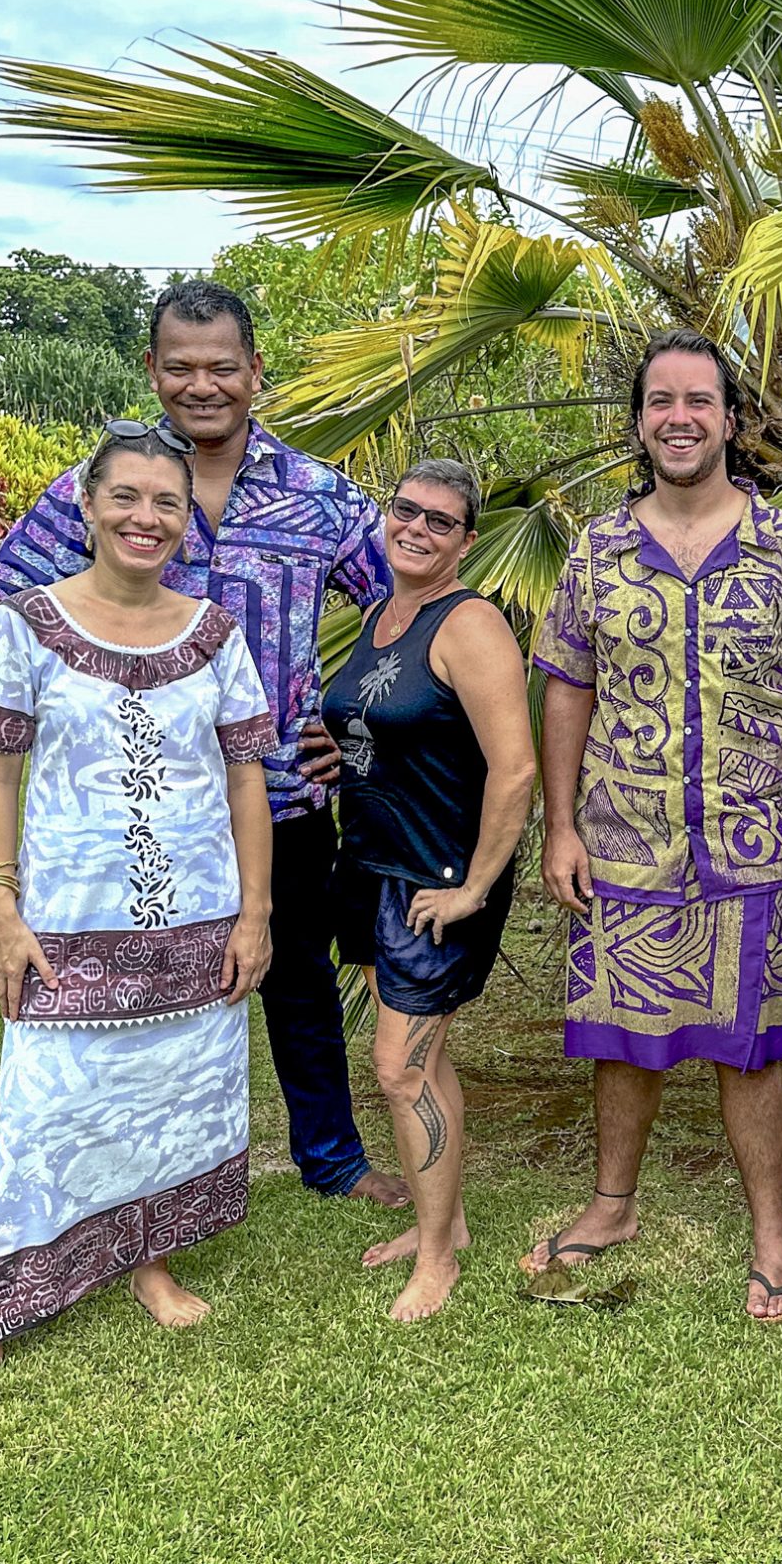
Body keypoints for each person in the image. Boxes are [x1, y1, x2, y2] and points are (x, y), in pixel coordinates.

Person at [0, 279, 406, 1213]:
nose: (201, 385)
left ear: (257, 372)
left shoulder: (319, 496)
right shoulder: (98, 489)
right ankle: (135, 1173)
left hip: (278, 793)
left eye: (221, 367)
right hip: (136, 814)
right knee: (131, 996)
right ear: (153, 370)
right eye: (180, 367)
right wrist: (74, 721)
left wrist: (351, 716)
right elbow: (0, 599)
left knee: (295, 982)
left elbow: (406, 602)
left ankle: (331, 1159)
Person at [0, 429, 276, 1415]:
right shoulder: (28, 624)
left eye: (167, 503)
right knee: (38, 1119)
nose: (146, 518)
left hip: (198, 931)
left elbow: (247, 776)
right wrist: (1, 909)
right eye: (125, 498)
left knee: (175, 1106)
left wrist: (256, 913)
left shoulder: (216, 632)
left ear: (189, 519)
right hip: (66, 934)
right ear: (87, 508)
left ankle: (150, 1266)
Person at [523, 329, 782, 1319]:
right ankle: (611, 1204)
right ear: (639, 421)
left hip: (750, 844)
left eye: (698, 401)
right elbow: (567, 687)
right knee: (622, 1036)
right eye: (660, 401)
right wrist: (560, 826)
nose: (679, 418)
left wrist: (758, 754)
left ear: (730, 419)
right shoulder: (598, 549)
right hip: (621, 834)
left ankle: (772, 1233)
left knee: (750, 1047)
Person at [319, 460, 535, 1323]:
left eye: (440, 521)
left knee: (396, 1070)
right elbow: (387, 727)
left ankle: (437, 1254)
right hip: (367, 866)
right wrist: (344, 757)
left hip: (434, 881)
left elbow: (514, 772)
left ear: (466, 541)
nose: (416, 527)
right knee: (423, 1064)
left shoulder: (469, 624)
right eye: (405, 510)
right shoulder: (381, 615)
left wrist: (475, 888)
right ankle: (442, 1224)